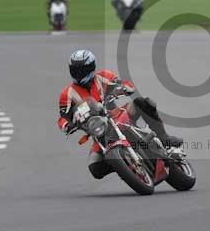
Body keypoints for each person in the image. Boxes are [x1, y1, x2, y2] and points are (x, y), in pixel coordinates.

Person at [57, 50, 183, 180]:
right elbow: (63, 117)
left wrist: (124, 88)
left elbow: (122, 83)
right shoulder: (67, 94)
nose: (79, 74)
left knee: (142, 103)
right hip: (99, 131)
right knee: (95, 168)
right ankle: (124, 165)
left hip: (117, 116)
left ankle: (164, 138)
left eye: (83, 70)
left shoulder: (103, 76)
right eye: (75, 70)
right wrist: (67, 125)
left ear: (92, 67)